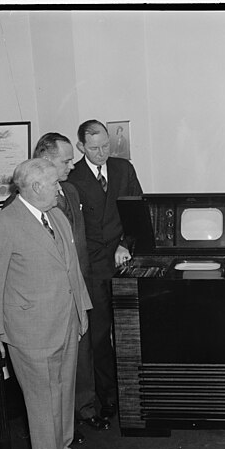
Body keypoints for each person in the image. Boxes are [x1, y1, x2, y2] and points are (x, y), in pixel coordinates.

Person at [0, 158, 92, 449]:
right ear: (38, 187)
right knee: (43, 404)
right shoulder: (3, 225)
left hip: (65, 321)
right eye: (55, 183)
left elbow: (72, 269)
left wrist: (82, 311)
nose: (60, 188)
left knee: (64, 395)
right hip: (31, 332)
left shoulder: (56, 215)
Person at [3, 133, 111, 432]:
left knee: (84, 352)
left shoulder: (70, 192)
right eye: (65, 160)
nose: (72, 165)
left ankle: (84, 408)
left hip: (78, 286)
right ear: (45, 161)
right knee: (57, 372)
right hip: (47, 305)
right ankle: (64, 427)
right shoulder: (19, 206)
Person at [67, 119, 143, 421]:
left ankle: (132, 394)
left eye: (105, 146)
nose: (101, 153)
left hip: (124, 263)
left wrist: (125, 243)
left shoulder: (124, 169)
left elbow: (137, 211)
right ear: (81, 147)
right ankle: (107, 397)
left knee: (129, 334)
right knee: (99, 337)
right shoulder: (72, 177)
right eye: (94, 148)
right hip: (94, 269)